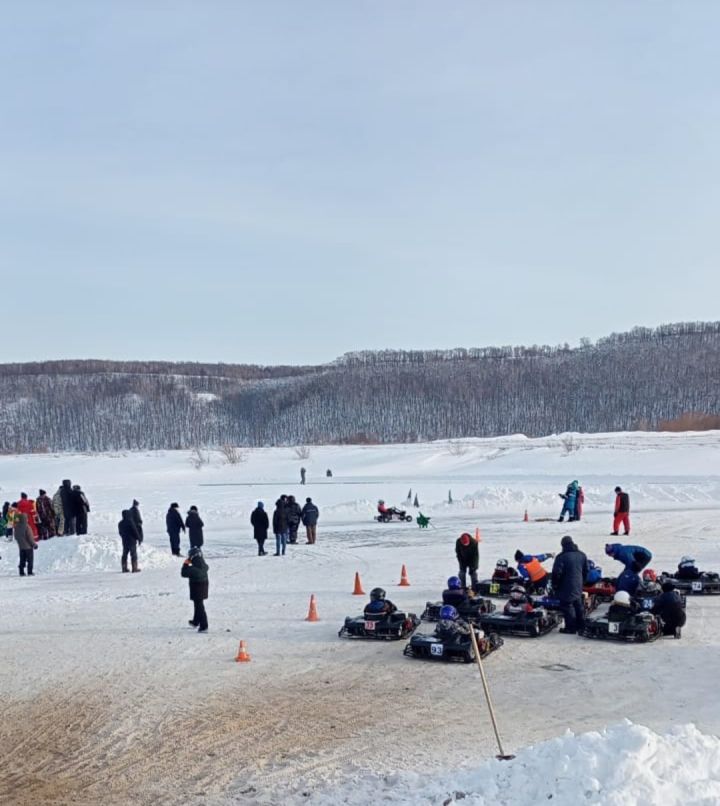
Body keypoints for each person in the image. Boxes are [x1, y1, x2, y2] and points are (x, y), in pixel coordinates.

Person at [551, 535, 589, 634]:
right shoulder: (582, 555)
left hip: (565, 585)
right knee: (578, 604)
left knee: (567, 606)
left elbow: (556, 573)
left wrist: (555, 585)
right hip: (578, 584)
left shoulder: (561, 557)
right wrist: (582, 582)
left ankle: (571, 628)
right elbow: (586, 570)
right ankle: (581, 625)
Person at [181, 546, 209, 632]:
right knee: (197, 605)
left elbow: (183, 573)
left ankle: (204, 625)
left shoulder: (193, 569)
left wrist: (185, 564)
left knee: (199, 606)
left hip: (197, 588)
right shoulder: (203, 565)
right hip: (203, 586)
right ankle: (196, 621)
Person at [14, 512, 37, 576]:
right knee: (30, 560)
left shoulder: (16, 527)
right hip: (28, 547)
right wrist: (34, 545)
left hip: (21, 547)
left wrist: (20, 543)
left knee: (22, 560)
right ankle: (30, 572)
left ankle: (21, 572)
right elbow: (29, 537)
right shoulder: (27, 527)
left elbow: (16, 537)